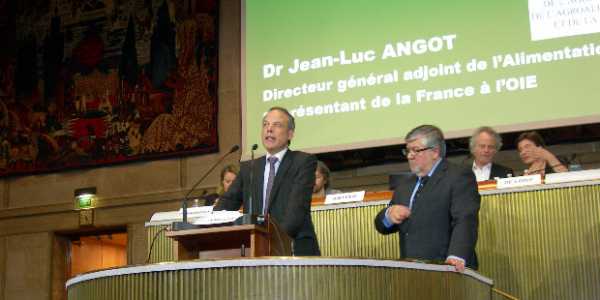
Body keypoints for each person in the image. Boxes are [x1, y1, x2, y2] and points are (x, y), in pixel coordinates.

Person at [215, 107, 320, 256]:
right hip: (255, 250)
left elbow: (296, 211)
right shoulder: (249, 167)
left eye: (277, 125)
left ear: (290, 134)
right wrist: (211, 222)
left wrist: (270, 242)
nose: (269, 129)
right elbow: (226, 204)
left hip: (293, 250)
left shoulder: (303, 162)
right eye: (265, 124)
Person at [374, 125, 480, 272]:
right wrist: (388, 215)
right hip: (412, 273)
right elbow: (382, 227)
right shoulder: (405, 185)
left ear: (435, 151)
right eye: (407, 150)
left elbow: (465, 220)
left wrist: (456, 256)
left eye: (415, 150)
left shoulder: (458, 176)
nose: (409, 155)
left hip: (449, 270)